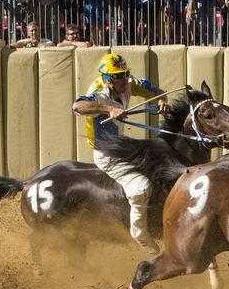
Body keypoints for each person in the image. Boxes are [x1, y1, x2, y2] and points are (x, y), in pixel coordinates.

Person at [71, 53, 168, 254]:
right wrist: (109, 109)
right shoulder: (98, 92)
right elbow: (78, 106)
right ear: (107, 79)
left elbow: (157, 92)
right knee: (141, 188)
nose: (124, 79)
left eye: (125, 74)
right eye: (118, 76)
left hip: (123, 147)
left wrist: (162, 101)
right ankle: (139, 232)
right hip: (107, 154)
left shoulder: (129, 82)